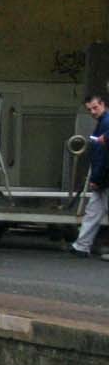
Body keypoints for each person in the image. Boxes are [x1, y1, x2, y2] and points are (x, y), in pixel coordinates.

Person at [70, 94, 109, 258]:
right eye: (90, 109)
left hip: (105, 177)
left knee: (93, 212)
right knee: (93, 211)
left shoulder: (105, 123)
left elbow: (102, 155)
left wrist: (96, 179)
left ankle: (82, 245)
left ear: (103, 105)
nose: (93, 112)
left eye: (95, 107)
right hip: (104, 176)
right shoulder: (103, 123)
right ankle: (81, 245)